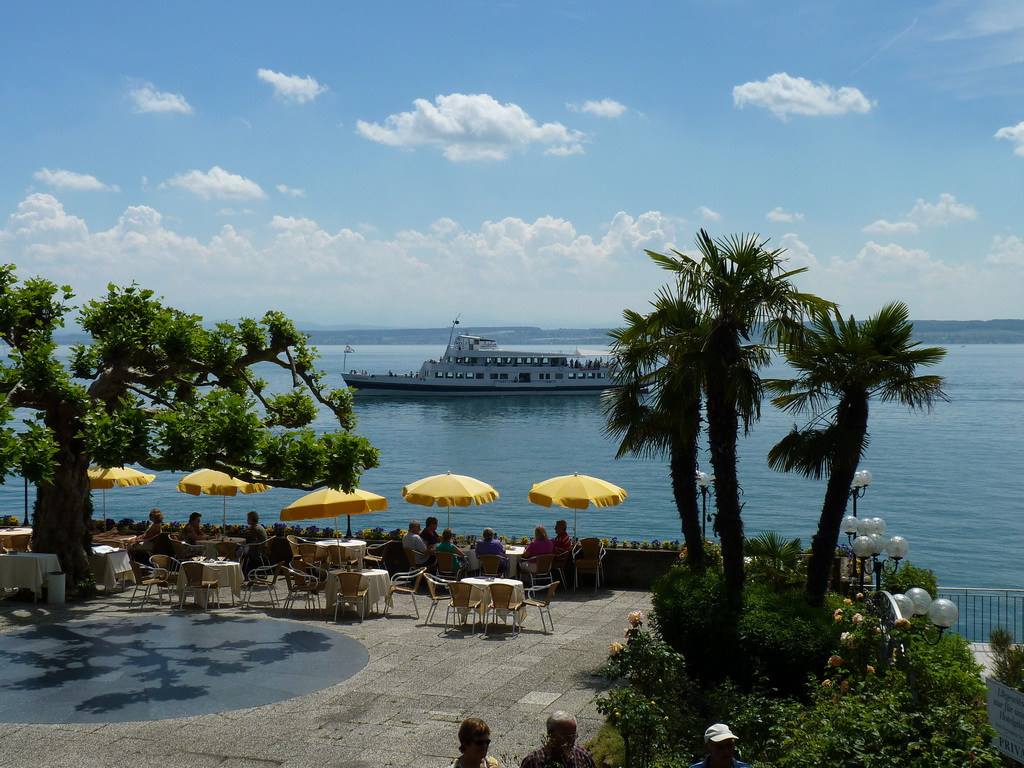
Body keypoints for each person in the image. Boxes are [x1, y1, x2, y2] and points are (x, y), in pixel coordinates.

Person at [519, 711, 595, 768]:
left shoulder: (582, 756)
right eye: (566, 737)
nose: (571, 741)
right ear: (550, 734)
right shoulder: (534, 761)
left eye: (573, 736)